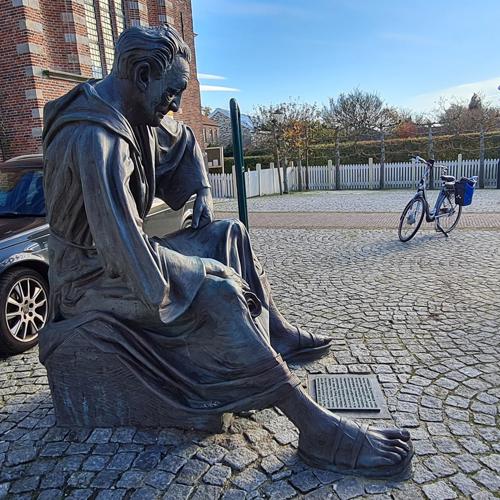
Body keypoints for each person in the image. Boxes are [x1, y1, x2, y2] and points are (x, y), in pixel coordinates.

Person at [41, 25, 412, 478]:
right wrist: (201, 272)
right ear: (141, 75)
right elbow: (125, 250)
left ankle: (275, 334)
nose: (174, 104)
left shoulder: (132, 111)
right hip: (89, 279)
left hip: (119, 256)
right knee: (218, 293)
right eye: (172, 92)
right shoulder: (94, 138)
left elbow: (183, 140)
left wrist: (200, 189)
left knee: (228, 234)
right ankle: (315, 427)